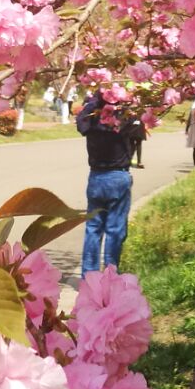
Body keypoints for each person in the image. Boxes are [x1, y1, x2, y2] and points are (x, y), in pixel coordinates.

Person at [75, 88, 135, 275]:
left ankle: (89, 276)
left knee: (93, 229)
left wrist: (92, 102)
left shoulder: (91, 116)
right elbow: (138, 132)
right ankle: (110, 275)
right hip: (118, 176)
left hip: (97, 177)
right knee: (115, 230)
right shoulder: (123, 115)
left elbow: (81, 125)